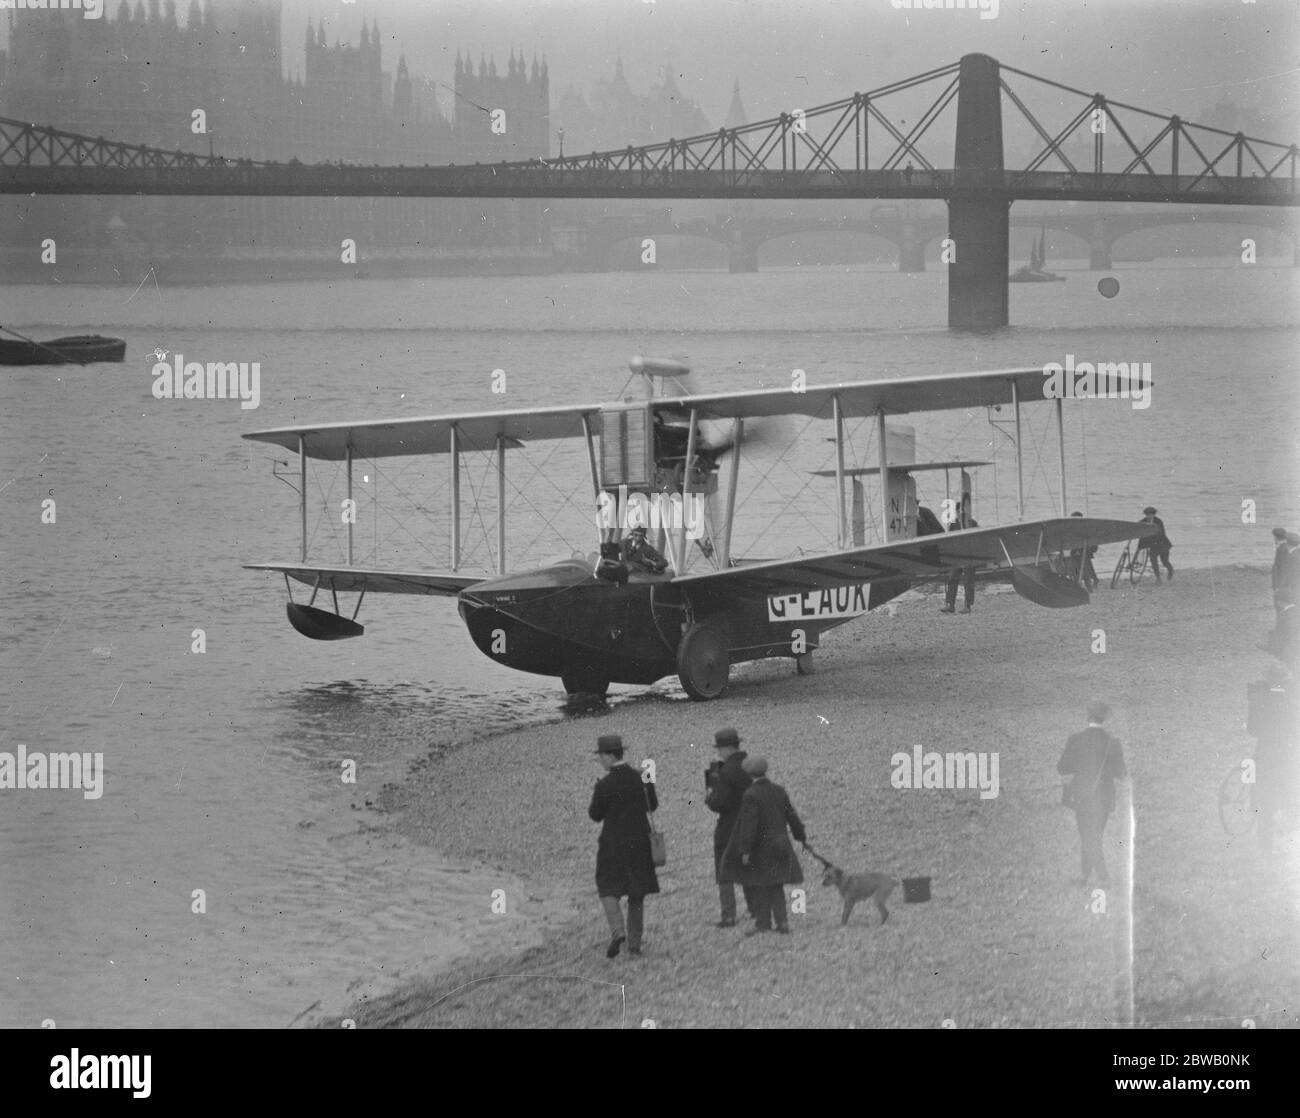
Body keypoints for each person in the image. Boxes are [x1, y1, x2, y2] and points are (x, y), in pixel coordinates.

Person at [588, 734, 659, 957]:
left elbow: (595, 815)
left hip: (612, 843)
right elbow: (652, 806)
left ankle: (618, 931)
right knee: (637, 891)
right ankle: (635, 944)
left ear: (610, 755)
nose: (600, 760)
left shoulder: (604, 784)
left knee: (607, 886)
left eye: (601, 756)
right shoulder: (642, 777)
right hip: (640, 841)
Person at [721, 756, 806, 935]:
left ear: (749, 773)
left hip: (761, 848)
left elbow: (749, 825)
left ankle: (763, 924)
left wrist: (745, 850)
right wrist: (800, 835)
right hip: (781, 845)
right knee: (776, 885)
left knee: (759, 885)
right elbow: (792, 816)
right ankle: (783, 923)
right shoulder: (779, 790)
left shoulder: (751, 795)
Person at [1057, 702, 1128, 887]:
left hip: (1082, 796)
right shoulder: (1113, 742)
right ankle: (1084, 877)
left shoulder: (1076, 739)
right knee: (1094, 836)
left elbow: (1062, 768)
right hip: (1104, 798)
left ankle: (1103, 878)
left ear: (1088, 717)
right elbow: (1121, 773)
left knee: (1088, 836)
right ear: (1104, 718)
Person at [704, 727, 756, 928]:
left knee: (724, 870)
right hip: (750, 824)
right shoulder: (750, 764)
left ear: (726, 749)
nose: (718, 753)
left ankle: (728, 915)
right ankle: (754, 908)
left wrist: (710, 796)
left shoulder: (726, 771)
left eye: (719, 749)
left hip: (728, 826)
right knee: (747, 867)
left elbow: (719, 803)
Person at [1247, 664, 1297, 857]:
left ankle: (1265, 848)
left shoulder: (1258, 698)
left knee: (1264, 800)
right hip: (1288, 754)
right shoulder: (1291, 699)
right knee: (1290, 795)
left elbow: (1252, 730)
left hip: (1265, 753)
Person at [940, 494, 978, 613]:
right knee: (951, 578)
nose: (958, 513)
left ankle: (967, 605)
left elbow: (978, 540)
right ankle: (950, 604)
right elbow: (949, 540)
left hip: (969, 556)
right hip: (957, 557)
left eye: (959, 511)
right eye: (956, 511)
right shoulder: (954, 524)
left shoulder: (972, 523)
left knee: (968, 581)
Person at [1140, 506, 1174, 582]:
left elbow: (1160, 533)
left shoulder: (1158, 521)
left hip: (1163, 544)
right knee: (1153, 561)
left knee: (1164, 561)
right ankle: (1158, 577)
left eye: (1150, 514)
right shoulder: (1143, 521)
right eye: (1147, 514)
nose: (1148, 516)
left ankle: (1170, 570)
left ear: (1153, 514)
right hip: (1153, 545)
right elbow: (1138, 526)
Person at [1068, 511, 1100, 590]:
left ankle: (1089, 584)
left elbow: (1094, 544)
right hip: (1076, 552)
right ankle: (1090, 581)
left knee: (1085, 567)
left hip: (1085, 552)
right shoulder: (1071, 529)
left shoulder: (1086, 529)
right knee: (1077, 567)